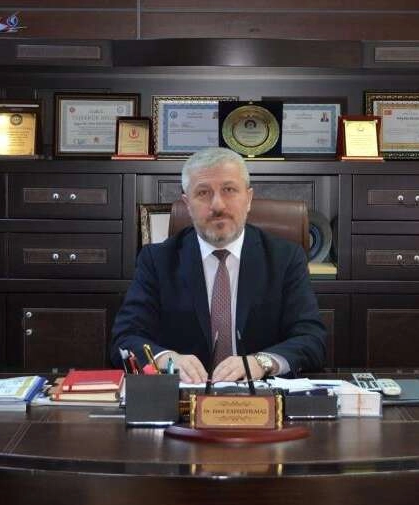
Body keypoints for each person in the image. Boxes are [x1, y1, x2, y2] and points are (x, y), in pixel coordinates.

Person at [111, 147, 326, 383]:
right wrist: (166, 360)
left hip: (260, 395)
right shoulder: (157, 260)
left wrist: (262, 362)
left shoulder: (284, 258)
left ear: (248, 199)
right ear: (187, 203)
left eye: (229, 190)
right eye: (203, 193)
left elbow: (312, 339)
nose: (218, 205)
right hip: (185, 396)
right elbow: (125, 338)